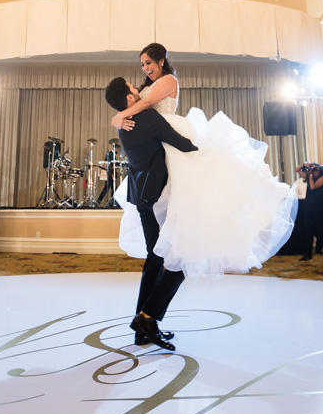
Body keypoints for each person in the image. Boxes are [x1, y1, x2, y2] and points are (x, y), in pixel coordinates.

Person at [109, 43, 296, 279]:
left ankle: (183, 252)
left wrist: (118, 116)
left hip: (167, 131)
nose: (145, 68)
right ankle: (164, 254)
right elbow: (133, 101)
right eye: (142, 64)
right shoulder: (146, 86)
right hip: (156, 140)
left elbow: (144, 104)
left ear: (161, 62)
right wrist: (120, 117)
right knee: (164, 196)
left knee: (188, 191)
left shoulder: (168, 81)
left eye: (148, 63)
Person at [105, 76, 198, 350]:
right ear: (130, 99)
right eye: (134, 89)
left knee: (155, 259)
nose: (139, 88)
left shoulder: (124, 125)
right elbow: (182, 144)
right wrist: (207, 152)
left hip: (141, 198)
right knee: (181, 259)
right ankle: (148, 317)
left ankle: (142, 328)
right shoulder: (148, 119)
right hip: (158, 198)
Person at [297, 163, 323, 263]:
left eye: (316, 170)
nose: (314, 172)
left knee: (321, 230)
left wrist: (310, 174)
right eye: (313, 170)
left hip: (319, 208)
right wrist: (304, 164)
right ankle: (308, 255)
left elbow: (312, 187)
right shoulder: (309, 175)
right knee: (308, 231)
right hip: (308, 207)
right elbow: (297, 170)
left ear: (320, 170)